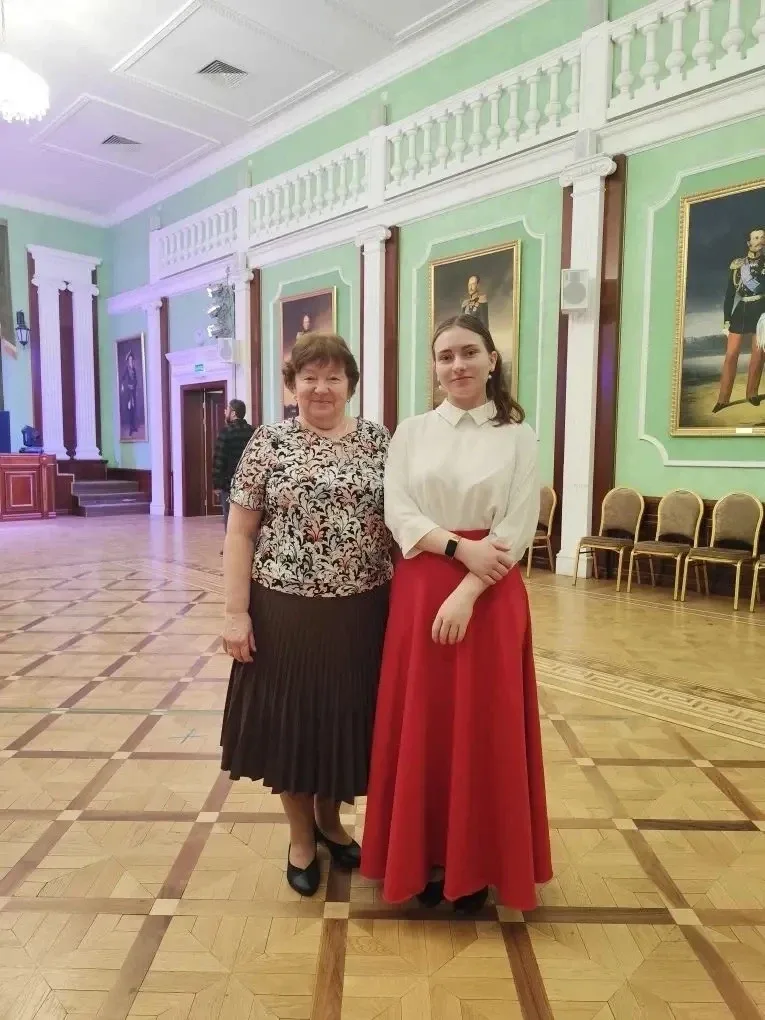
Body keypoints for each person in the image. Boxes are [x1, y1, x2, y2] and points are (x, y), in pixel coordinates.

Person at [361, 313, 552, 914]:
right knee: (423, 721)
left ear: (492, 360)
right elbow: (398, 511)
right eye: (445, 356)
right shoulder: (412, 432)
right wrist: (456, 549)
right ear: (435, 368)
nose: (457, 365)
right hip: (421, 587)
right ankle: (420, 860)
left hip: (491, 594)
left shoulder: (518, 435)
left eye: (469, 353)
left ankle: (476, 865)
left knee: (484, 727)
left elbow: (518, 525)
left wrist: (468, 589)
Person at [220, 333, 392, 898]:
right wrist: (235, 613)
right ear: (292, 386)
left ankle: (330, 822)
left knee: (342, 724)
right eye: (309, 377)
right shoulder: (268, 443)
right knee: (292, 727)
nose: (321, 388)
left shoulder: (378, 441)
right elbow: (240, 534)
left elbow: (401, 525)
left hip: (362, 613)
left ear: (350, 385)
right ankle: (300, 838)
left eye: (333, 377)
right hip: (284, 614)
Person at [715, 227, 765, 412]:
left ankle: (752, 393)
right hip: (741, 310)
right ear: (749, 242)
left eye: (762, 237)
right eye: (756, 237)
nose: (760, 240)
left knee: (758, 354)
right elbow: (730, 294)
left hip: (762, 311)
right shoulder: (737, 265)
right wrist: (726, 319)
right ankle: (723, 399)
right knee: (731, 355)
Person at [212, 399, 254, 531]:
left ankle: (231, 543)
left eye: (227, 409)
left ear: (234, 413)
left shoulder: (226, 432)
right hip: (249, 482)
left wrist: (217, 484)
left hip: (229, 483)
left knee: (229, 517)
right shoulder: (253, 431)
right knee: (248, 519)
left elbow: (219, 459)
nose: (225, 411)